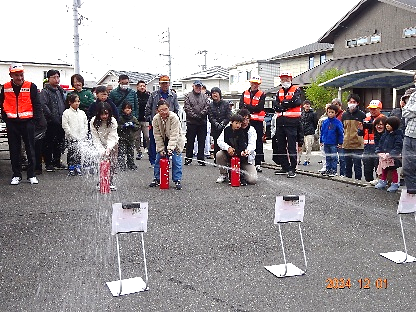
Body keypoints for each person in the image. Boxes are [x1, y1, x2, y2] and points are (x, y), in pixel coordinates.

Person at [0, 63, 41, 185]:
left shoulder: (31, 86)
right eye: (16, 75)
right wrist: (6, 119)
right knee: (14, 150)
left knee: (30, 149)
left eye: (21, 75)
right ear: (11, 75)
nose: (19, 77)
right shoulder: (5, 87)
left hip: (28, 122)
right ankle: (16, 175)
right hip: (12, 123)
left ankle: (31, 175)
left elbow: (37, 105)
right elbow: (2, 104)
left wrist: (35, 120)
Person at [149, 99, 185, 190]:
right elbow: (157, 135)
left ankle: (177, 179)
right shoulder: (156, 119)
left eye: (166, 109)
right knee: (158, 159)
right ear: (157, 111)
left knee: (176, 160)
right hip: (163, 139)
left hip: (176, 140)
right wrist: (161, 149)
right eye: (161, 110)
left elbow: (174, 134)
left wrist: (170, 148)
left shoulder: (174, 117)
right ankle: (157, 178)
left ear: (169, 108)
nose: (164, 112)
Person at [145, 75, 179, 167]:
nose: (165, 85)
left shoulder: (173, 95)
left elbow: (176, 109)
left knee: (169, 142)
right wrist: (150, 120)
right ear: (160, 84)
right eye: (163, 83)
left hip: (169, 122)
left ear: (169, 84)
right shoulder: (154, 94)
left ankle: (167, 161)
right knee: (154, 142)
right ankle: (153, 162)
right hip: (156, 122)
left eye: (166, 83)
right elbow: (148, 108)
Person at [273, 72, 302, 178]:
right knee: (280, 146)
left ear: (290, 79)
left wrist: (283, 104)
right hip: (280, 122)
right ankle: (285, 167)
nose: (284, 81)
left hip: (292, 122)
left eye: (286, 79)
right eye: (282, 79)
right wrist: (285, 104)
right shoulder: (279, 91)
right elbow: (275, 105)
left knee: (291, 146)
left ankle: (293, 168)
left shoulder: (296, 90)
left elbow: (296, 102)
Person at [40, 69, 66, 172]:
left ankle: (57, 161)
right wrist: (51, 116)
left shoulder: (60, 90)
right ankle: (48, 163)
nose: (56, 79)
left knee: (59, 142)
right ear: (48, 78)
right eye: (54, 77)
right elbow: (43, 105)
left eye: (58, 77)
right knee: (48, 143)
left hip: (61, 120)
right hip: (50, 122)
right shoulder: (45, 91)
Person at [90, 102, 119, 191]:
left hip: (113, 143)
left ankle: (110, 181)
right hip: (100, 143)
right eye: (102, 114)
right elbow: (95, 138)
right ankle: (101, 181)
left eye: (106, 114)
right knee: (101, 161)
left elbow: (112, 136)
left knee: (113, 162)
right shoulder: (93, 121)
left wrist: (109, 148)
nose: (104, 116)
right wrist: (101, 149)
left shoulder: (113, 121)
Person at [240, 76, 266, 173]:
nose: (254, 85)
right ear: (250, 83)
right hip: (246, 121)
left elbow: (259, 108)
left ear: (258, 84)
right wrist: (251, 108)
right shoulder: (244, 93)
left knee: (258, 141)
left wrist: (247, 107)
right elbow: (241, 106)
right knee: (244, 140)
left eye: (256, 83)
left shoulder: (262, 94)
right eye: (253, 83)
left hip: (257, 121)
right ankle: (245, 161)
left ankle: (258, 163)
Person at [216, 114, 249, 185]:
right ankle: (225, 175)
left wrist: (242, 151)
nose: (238, 125)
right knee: (220, 155)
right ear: (231, 122)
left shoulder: (241, 132)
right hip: (228, 153)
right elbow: (220, 141)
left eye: (240, 123)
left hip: (239, 154)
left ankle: (241, 178)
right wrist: (228, 148)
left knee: (240, 167)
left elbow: (242, 143)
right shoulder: (226, 130)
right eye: (236, 123)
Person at [358, 100, 385, 183]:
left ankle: (380, 182)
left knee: (379, 167)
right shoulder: (366, 119)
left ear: (379, 109)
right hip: (367, 147)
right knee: (367, 168)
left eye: (374, 109)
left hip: (378, 147)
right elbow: (360, 133)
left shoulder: (383, 119)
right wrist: (361, 129)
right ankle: (369, 182)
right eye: (371, 109)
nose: (372, 111)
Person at [184, 80, 210, 166]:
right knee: (190, 140)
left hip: (202, 122)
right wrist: (195, 116)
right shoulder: (188, 96)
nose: (198, 88)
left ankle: (201, 158)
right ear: (193, 86)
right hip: (191, 122)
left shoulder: (205, 96)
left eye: (199, 86)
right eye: (196, 86)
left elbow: (207, 107)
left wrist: (201, 115)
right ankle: (188, 158)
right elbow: (187, 108)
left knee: (202, 141)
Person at [61, 93, 88, 176]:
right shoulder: (66, 112)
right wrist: (71, 134)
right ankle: (71, 167)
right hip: (71, 137)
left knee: (79, 152)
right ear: (70, 102)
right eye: (75, 102)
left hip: (81, 136)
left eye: (78, 101)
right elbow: (65, 125)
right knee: (71, 152)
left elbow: (85, 123)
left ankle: (78, 166)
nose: (77, 103)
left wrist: (84, 133)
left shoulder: (82, 113)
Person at [374, 116, 403, 192]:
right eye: (386, 124)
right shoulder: (385, 134)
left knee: (393, 170)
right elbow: (380, 144)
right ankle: (383, 181)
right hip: (384, 157)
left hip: (392, 158)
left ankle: (395, 183)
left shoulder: (398, 136)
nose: (387, 126)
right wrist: (378, 151)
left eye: (389, 124)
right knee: (384, 169)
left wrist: (391, 154)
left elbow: (398, 146)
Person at [341, 94, 366, 180]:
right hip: (346, 144)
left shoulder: (362, 115)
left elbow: (364, 130)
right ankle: (348, 181)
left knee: (357, 165)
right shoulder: (344, 115)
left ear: (357, 103)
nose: (352, 103)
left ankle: (358, 181)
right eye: (350, 102)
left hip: (358, 144)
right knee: (347, 165)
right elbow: (342, 129)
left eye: (354, 102)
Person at [207, 87, 231, 163]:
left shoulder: (226, 103)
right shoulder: (210, 105)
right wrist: (216, 123)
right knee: (216, 143)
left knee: (226, 142)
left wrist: (223, 122)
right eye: (213, 93)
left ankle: (226, 159)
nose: (214, 94)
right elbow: (210, 116)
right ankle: (216, 159)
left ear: (219, 94)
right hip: (215, 127)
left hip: (225, 126)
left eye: (216, 92)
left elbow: (229, 115)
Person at [320, 104, 344, 177]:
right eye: (329, 112)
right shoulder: (325, 122)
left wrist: (340, 142)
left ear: (336, 113)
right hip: (326, 142)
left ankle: (333, 170)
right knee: (327, 157)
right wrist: (321, 140)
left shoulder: (337, 122)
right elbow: (322, 131)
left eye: (332, 112)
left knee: (333, 157)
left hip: (334, 143)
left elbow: (340, 133)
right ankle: (328, 169)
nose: (330, 114)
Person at [402, 72, 416, 194]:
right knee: (407, 167)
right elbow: (404, 112)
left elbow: (408, 111)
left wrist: (410, 110)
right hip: (409, 135)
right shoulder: (413, 95)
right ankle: (412, 194)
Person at [117, 101, 139, 171]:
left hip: (131, 138)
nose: (127, 110)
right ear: (123, 109)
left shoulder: (133, 118)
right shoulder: (120, 118)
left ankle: (131, 164)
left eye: (129, 108)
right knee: (122, 152)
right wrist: (123, 126)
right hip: (122, 138)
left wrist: (133, 125)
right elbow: (117, 127)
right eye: (126, 108)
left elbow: (138, 126)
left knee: (131, 152)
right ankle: (121, 164)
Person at [299, 100, 318, 166]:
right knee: (300, 147)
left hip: (309, 132)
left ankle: (307, 160)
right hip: (302, 132)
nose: (307, 105)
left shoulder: (313, 113)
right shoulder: (302, 113)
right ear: (303, 105)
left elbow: (315, 123)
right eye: (305, 104)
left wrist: (312, 129)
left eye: (308, 104)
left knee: (308, 147)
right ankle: (298, 159)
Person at [135, 80, 150, 160]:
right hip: (137, 119)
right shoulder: (134, 95)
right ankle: (139, 152)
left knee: (147, 136)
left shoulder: (148, 96)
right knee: (137, 138)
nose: (142, 87)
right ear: (137, 87)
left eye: (144, 86)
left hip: (145, 119)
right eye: (140, 86)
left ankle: (148, 149)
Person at [332, 98, 346, 176]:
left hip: (341, 138)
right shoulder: (331, 115)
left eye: (336, 104)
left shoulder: (343, 114)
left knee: (342, 158)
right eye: (333, 104)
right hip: (333, 139)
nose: (335, 106)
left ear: (340, 105)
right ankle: (333, 172)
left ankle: (342, 174)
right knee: (333, 157)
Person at [316, 103, 331, 174]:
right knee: (323, 153)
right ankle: (325, 167)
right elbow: (319, 127)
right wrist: (318, 135)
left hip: (331, 138)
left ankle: (330, 168)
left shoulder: (333, 117)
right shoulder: (322, 117)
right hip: (322, 137)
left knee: (330, 154)